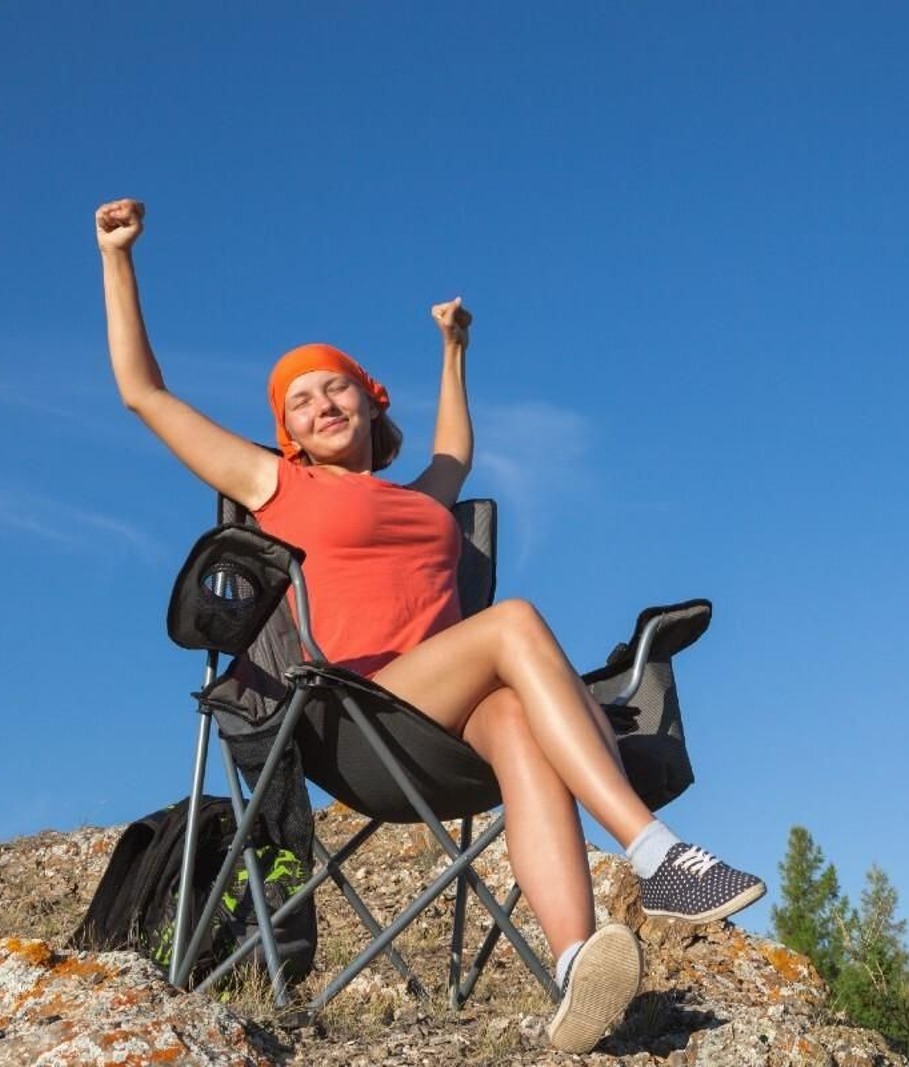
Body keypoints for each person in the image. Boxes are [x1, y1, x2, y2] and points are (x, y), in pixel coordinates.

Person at [95, 198, 763, 1053]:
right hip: (357, 716)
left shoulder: (420, 501)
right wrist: (118, 258)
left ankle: (574, 966)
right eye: (299, 401)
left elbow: (456, 450)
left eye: (337, 385)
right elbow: (142, 393)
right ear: (286, 435)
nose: (322, 403)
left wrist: (454, 350)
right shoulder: (278, 489)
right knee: (512, 619)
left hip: (452, 731)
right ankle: (657, 853)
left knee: (519, 715)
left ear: (372, 405)